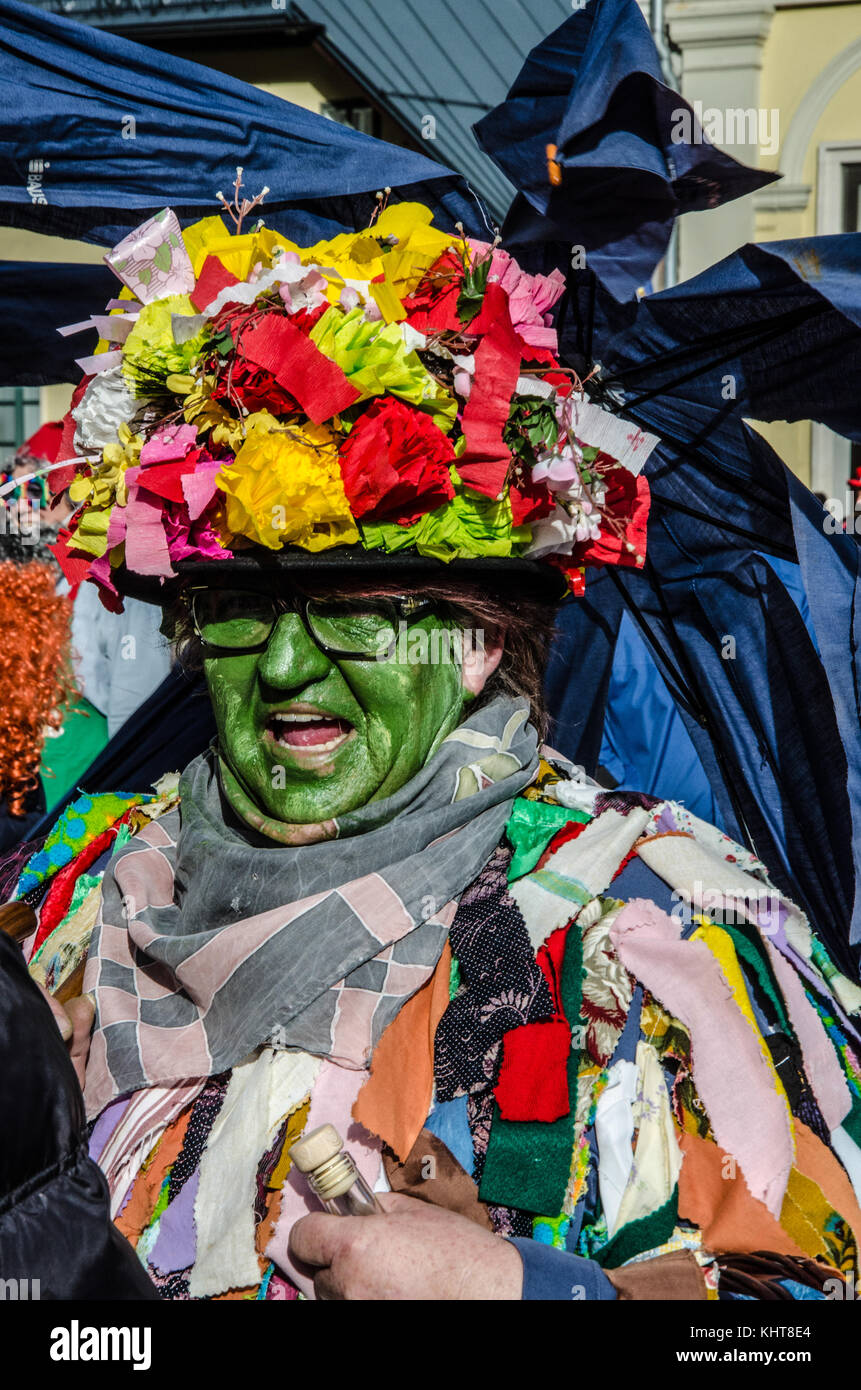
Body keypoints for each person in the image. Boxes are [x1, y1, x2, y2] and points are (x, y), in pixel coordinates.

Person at [8, 197, 861, 1302]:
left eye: (351, 612)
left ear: (476, 641)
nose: (281, 670)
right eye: (238, 608)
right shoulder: (76, 880)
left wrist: (531, 1289)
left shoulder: (637, 920)